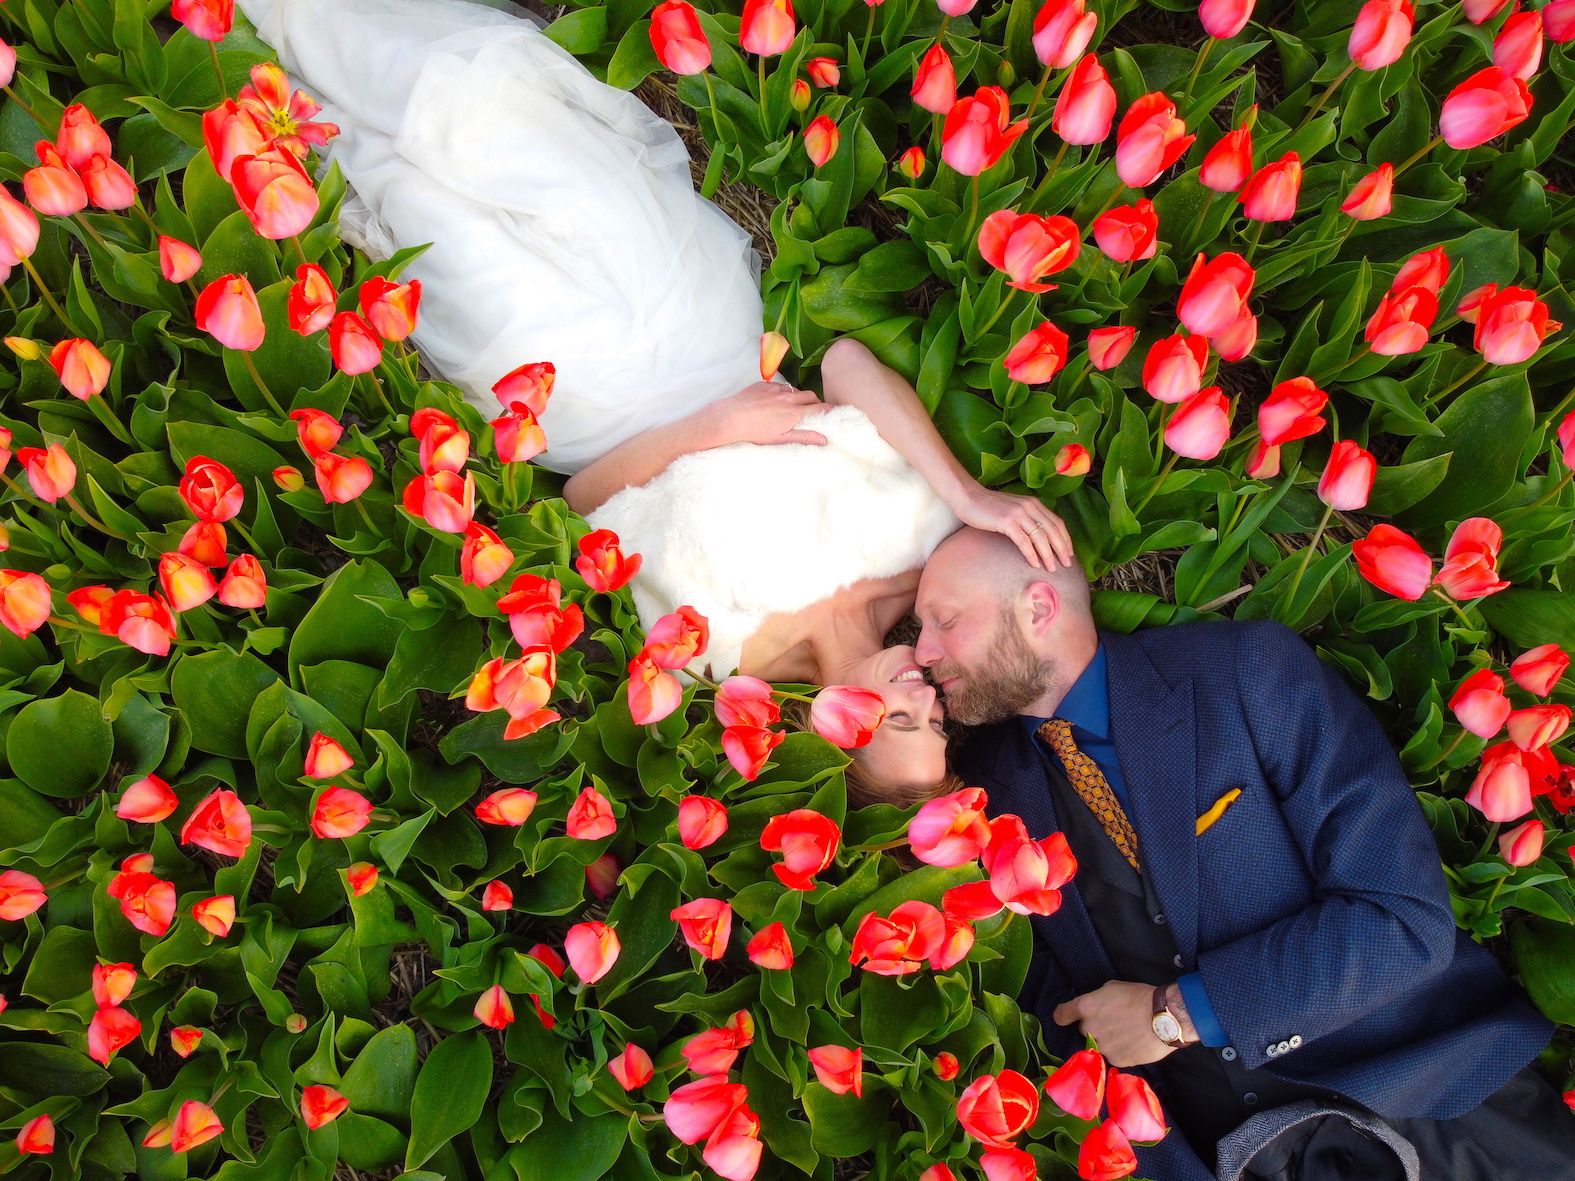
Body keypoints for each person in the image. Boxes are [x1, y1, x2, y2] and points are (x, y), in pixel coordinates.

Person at [239, 0, 1076, 797]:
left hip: (583, 396)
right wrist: (966, 491)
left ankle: (237, 60)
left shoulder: (714, 656)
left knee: (420, 204)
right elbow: (851, 362)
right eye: (935, 721)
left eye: (900, 721)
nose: (924, 698)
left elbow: (583, 500)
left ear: (833, 731)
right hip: (699, 320)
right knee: (480, 120)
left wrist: (708, 431)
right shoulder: (918, 545)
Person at [915, 527, 1575, 1181]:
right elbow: (1055, 1036)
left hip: (1440, 1107)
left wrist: (1177, 1013)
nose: (922, 651)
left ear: (1036, 606)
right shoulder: (977, 800)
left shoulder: (1245, 673)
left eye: (942, 621)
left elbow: (1399, 918)